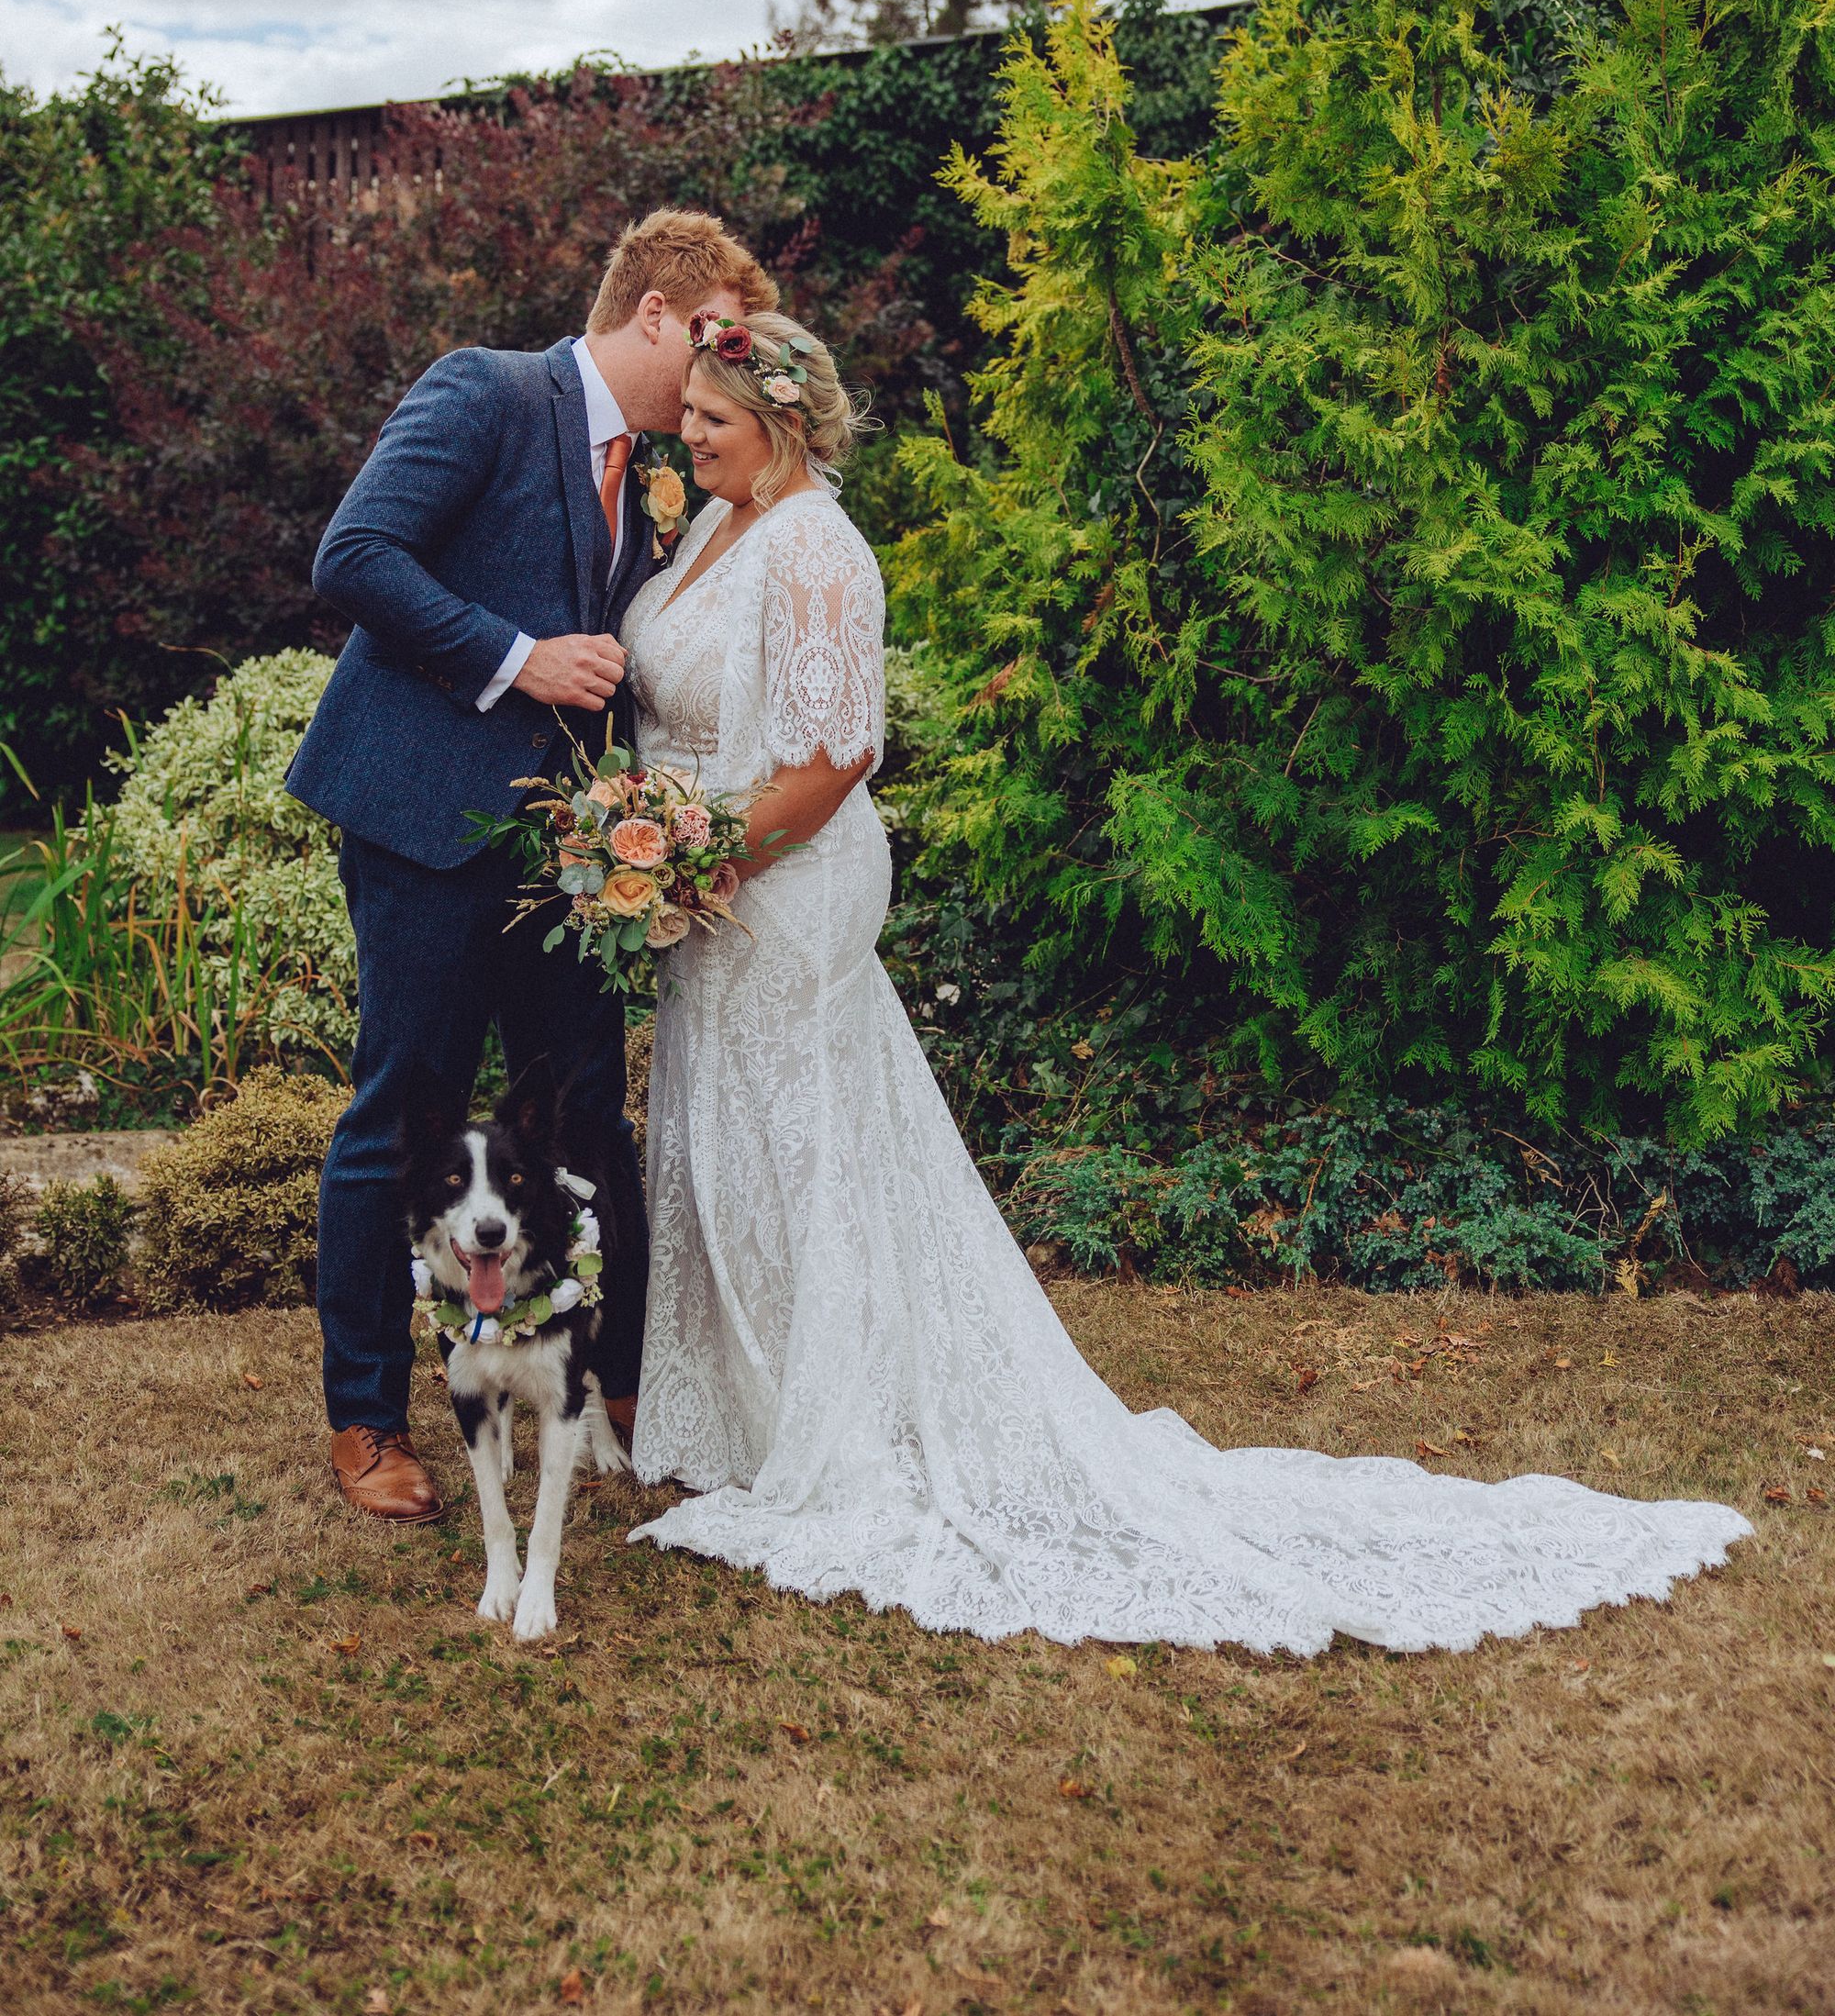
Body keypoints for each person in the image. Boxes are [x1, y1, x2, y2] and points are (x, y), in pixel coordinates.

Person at [618, 308, 1752, 1649]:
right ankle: (744, 1408)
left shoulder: (820, 549)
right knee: (730, 1136)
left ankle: (837, 1424)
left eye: (713, 419)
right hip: (704, 890)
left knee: (798, 1142)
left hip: (782, 884)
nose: (684, 435)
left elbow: (832, 760)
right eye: (686, 411)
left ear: (786, 425)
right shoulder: (708, 525)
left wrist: (697, 861)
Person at [289, 209, 774, 1521]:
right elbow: (356, 559)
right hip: (422, 828)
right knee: (406, 1107)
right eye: (717, 335)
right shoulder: (486, 391)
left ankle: (619, 1383)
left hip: (565, 865)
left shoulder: (660, 474)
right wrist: (517, 657)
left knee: (584, 1114)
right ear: (658, 316)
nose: (727, 365)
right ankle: (367, 1419)